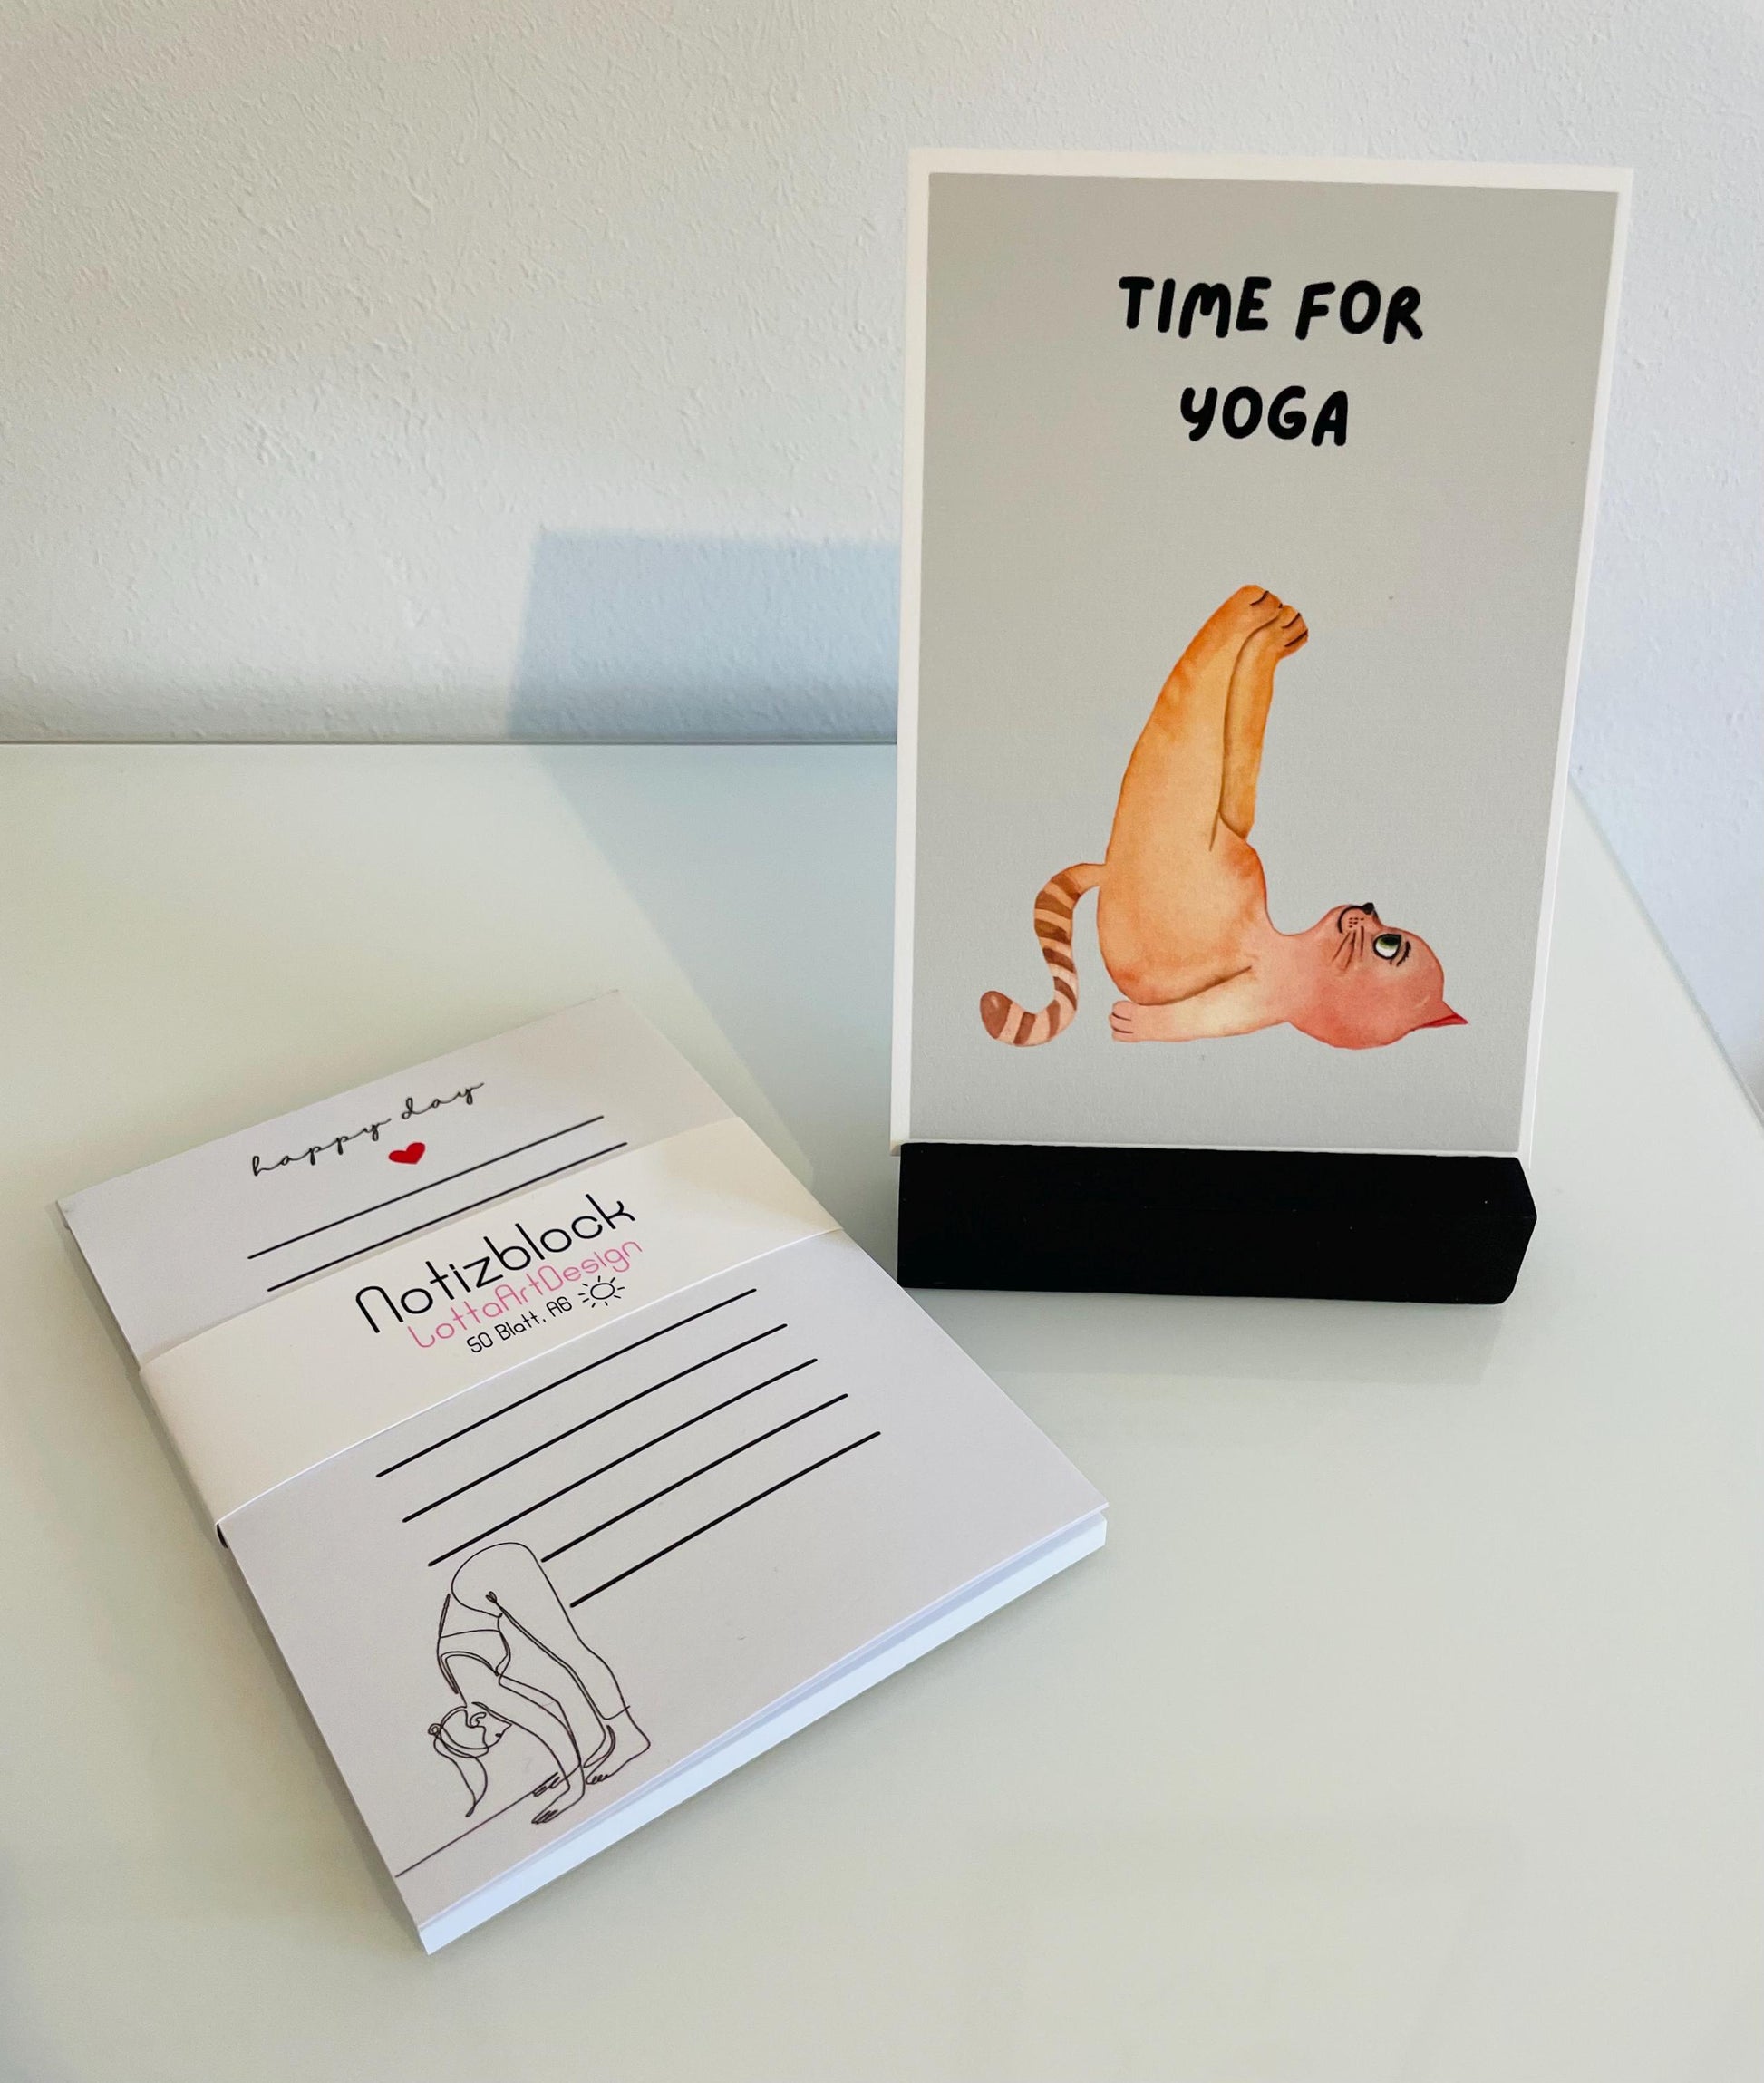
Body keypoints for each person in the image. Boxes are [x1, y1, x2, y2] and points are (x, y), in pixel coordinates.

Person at [979, 586, 1464, 1050]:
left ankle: (1228, 636)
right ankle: (1256, 656)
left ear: (1361, 1006)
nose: (1372, 918)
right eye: (1389, 935)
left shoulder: (1282, 991)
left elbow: (1222, 1011)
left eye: (1386, 946)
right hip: (1203, 896)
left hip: (1165, 928)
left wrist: (1157, 1025)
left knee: (1180, 760)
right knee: (1233, 795)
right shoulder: (1273, 964)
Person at [428, 1541, 648, 1824]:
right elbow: (553, 1701)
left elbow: (547, 1727)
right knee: (564, 1664)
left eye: (495, 1736)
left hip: (487, 1574)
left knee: (572, 1653)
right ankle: (606, 1742)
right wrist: (575, 1765)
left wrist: (573, 1789)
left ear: (476, 1720)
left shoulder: (483, 1695)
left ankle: (629, 1737)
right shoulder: (475, 1680)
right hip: (484, 1579)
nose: (508, 1728)